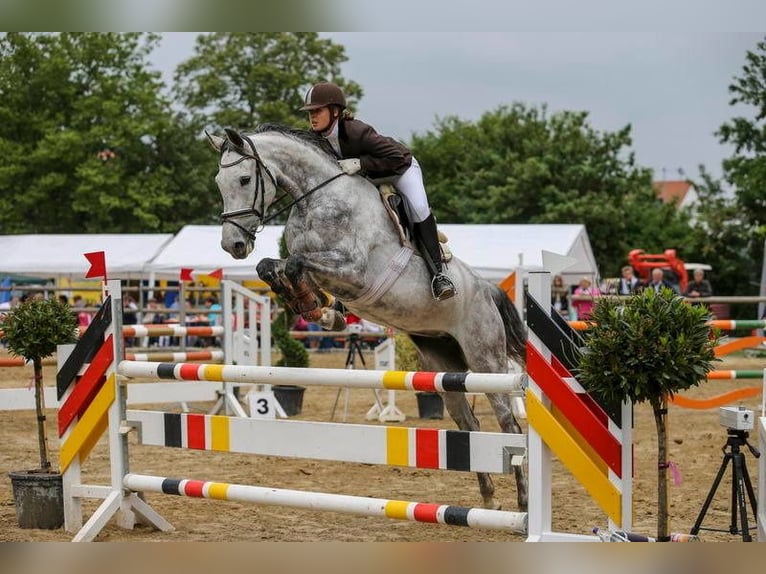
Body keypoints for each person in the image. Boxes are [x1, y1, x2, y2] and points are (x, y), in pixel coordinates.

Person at [300, 81, 456, 301]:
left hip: (400, 170)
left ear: (335, 111)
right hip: (368, 178)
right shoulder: (316, 138)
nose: (312, 116)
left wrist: (361, 163)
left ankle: (439, 276)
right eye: (310, 112)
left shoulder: (357, 131)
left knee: (419, 208)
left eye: (317, 111)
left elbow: (394, 157)